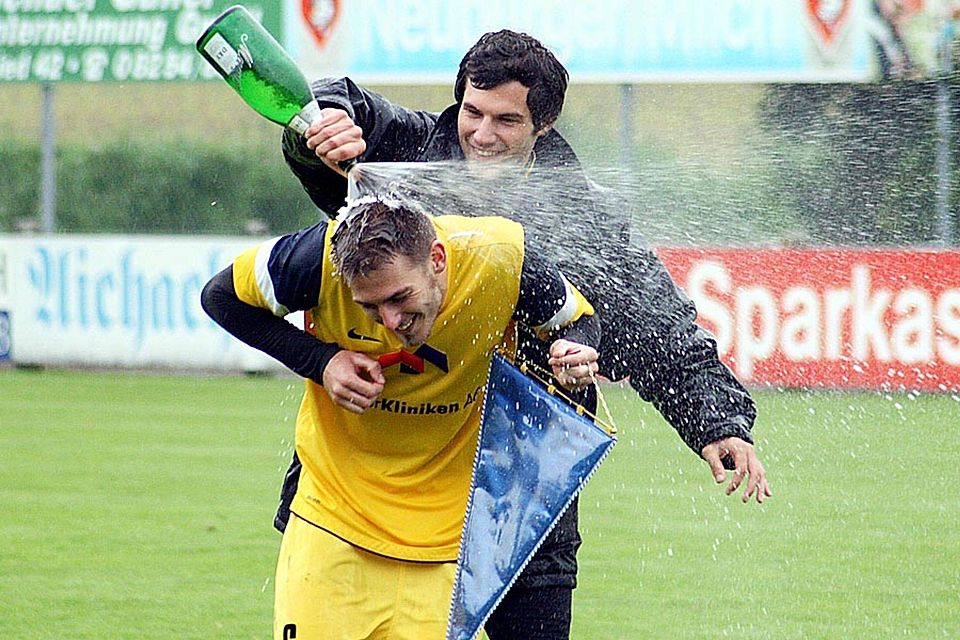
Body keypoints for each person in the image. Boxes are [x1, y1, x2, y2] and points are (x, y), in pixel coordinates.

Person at [280, 28, 772, 637]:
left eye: (507, 120)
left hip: (525, 487)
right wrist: (323, 124)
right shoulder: (403, 155)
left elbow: (662, 331)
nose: (482, 135)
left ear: (545, 123)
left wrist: (717, 423)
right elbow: (338, 102)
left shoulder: (586, 217)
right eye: (472, 112)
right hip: (383, 481)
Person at [201, 197, 601, 639]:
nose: (390, 321)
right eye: (369, 307)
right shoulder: (315, 258)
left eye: (399, 297)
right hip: (332, 522)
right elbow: (219, 296)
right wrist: (322, 361)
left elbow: (577, 321)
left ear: (437, 259)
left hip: (447, 542)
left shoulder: (500, 255)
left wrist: (572, 350)